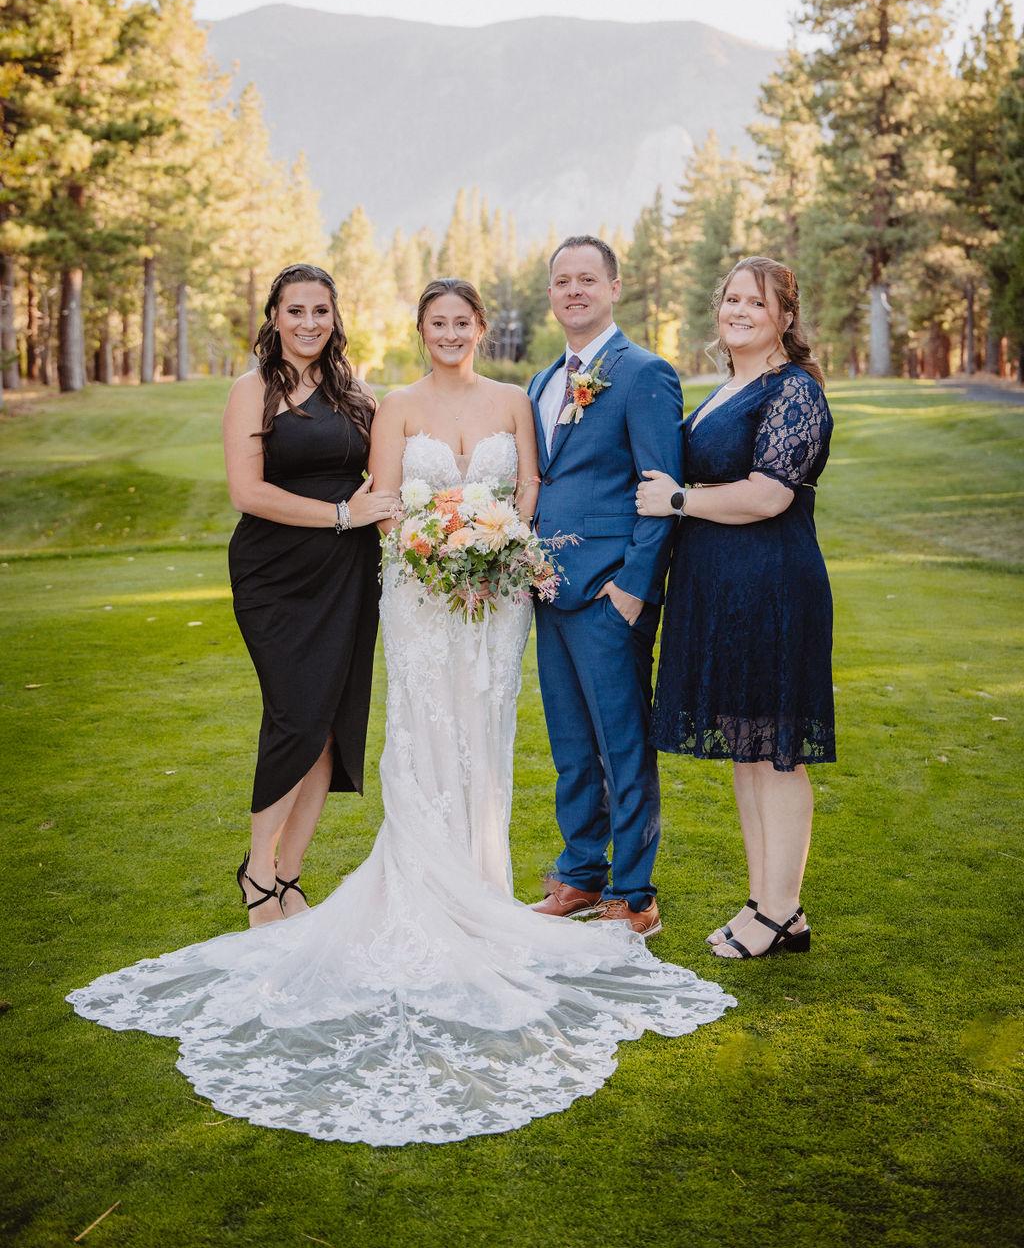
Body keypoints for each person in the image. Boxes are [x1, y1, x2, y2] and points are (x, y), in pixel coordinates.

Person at [68, 276, 733, 1146]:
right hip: (420, 597)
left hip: (495, 599)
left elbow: (529, 488)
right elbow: (383, 503)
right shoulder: (383, 403)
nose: (451, 333)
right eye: (437, 323)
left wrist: (497, 546)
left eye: (463, 321)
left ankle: (480, 885)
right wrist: (431, 550)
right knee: (411, 737)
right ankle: (312, 878)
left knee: (485, 740)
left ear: (481, 328)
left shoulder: (513, 395)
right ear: (418, 330)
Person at [636, 256, 835, 960]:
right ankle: (765, 902)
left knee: (776, 753)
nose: (739, 310)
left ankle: (784, 912)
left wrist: (679, 499)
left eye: (757, 301)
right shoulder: (729, 387)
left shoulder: (795, 392)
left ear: (786, 316)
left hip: (772, 585)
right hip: (724, 586)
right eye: (731, 299)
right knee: (748, 751)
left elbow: (768, 494)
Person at [222, 263, 398, 927]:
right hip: (275, 574)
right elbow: (249, 493)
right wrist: (340, 516)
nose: (308, 323)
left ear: (335, 316)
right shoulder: (251, 390)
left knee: (329, 723)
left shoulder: (356, 392)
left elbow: (391, 469)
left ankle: (289, 871)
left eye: (320, 310)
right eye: (295, 310)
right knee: (294, 715)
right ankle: (257, 873)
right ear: (273, 316)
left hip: (348, 575)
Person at [528, 236, 683, 938]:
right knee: (569, 743)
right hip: (550, 591)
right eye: (563, 280)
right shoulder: (541, 381)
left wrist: (633, 589)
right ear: (552, 293)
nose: (574, 290)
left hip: (608, 596)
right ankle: (580, 873)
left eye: (587, 278)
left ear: (614, 287)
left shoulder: (645, 372)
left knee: (622, 744)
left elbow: (661, 489)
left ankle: (634, 891)